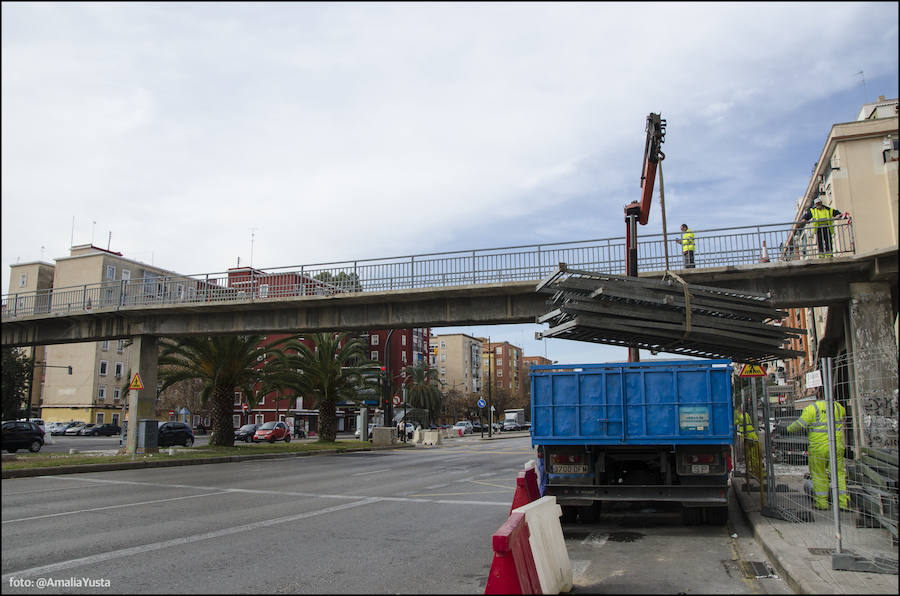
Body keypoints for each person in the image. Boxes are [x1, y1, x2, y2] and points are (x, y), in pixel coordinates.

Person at [778, 395, 849, 510]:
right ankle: (843, 504)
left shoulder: (812, 408)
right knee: (839, 475)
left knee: (819, 475)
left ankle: (822, 503)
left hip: (818, 447)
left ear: (818, 395)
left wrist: (786, 429)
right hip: (836, 446)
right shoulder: (838, 407)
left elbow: (800, 424)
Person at [734, 404, 761, 477]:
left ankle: (754, 471)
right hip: (752, 437)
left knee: (751, 455)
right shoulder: (746, 414)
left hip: (749, 438)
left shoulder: (741, 417)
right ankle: (753, 470)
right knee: (753, 455)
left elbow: (735, 422)